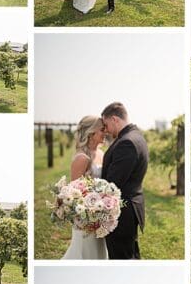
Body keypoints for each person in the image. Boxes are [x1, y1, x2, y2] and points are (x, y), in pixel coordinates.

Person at [100, 102, 148, 259]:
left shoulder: (126, 142)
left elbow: (112, 184)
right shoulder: (136, 136)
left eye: (106, 125)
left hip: (122, 212)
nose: (105, 130)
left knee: (121, 257)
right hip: (131, 207)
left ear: (114, 119)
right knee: (130, 255)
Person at [61, 115, 108, 260]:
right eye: (102, 129)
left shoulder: (101, 153)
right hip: (85, 219)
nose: (105, 132)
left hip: (101, 215)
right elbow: (74, 196)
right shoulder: (82, 158)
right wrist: (90, 216)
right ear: (91, 133)